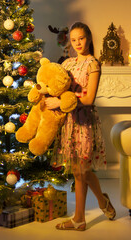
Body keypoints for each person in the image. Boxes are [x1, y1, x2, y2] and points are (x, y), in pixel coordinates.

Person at [45, 22, 116, 231]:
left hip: (84, 121)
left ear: (89, 39)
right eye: (73, 39)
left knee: (82, 170)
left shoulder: (93, 63)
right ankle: (94, 209)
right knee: (78, 171)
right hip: (69, 121)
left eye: (81, 39)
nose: (77, 43)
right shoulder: (67, 63)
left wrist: (61, 102)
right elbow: (58, 86)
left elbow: (89, 98)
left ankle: (83, 216)